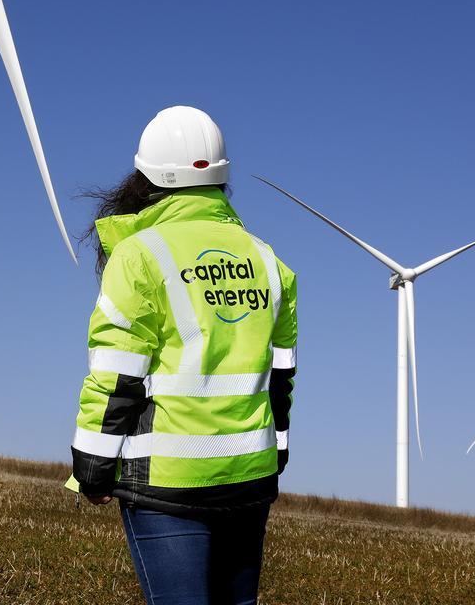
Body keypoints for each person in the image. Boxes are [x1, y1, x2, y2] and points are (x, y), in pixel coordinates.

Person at [70, 105, 297, 605]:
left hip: (166, 482)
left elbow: (117, 374)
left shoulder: (140, 254)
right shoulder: (267, 260)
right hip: (250, 478)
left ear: (147, 174)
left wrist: (93, 463)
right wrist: (276, 448)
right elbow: (282, 376)